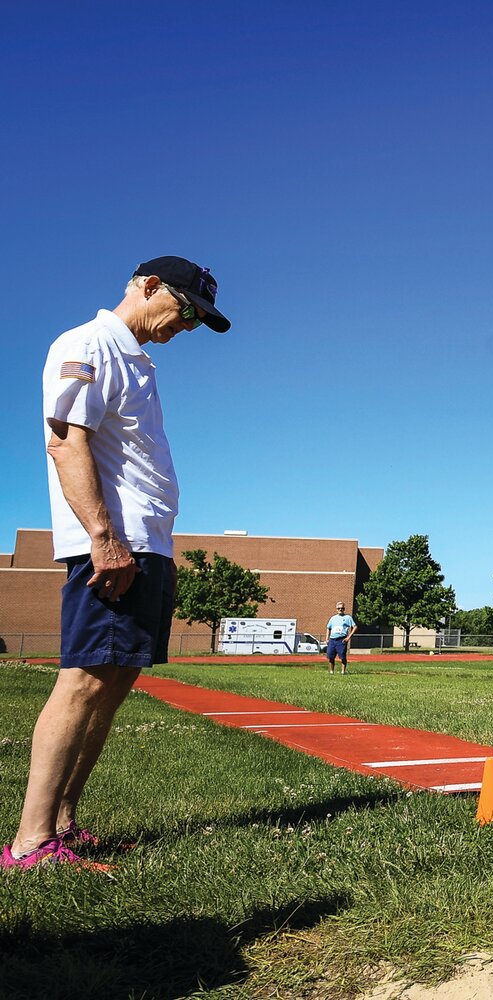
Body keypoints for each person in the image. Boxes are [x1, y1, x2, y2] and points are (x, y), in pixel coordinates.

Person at [4, 257, 230, 870]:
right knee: (82, 683)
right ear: (149, 286)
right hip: (114, 546)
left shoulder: (136, 360)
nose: (188, 326)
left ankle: (64, 823)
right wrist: (104, 538)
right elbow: (64, 439)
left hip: (146, 543)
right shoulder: (88, 343)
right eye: (187, 310)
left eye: (199, 319)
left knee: (114, 683)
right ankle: (31, 843)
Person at [326, 602, 357, 674]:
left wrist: (348, 637)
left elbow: (355, 627)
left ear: (344, 609)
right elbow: (328, 628)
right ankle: (331, 671)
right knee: (330, 656)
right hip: (332, 640)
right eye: (339, 608)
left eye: (342, 608)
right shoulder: (333, 618)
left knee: (342, 656)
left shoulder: (348, 618)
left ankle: (343, 671)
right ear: (336, 609)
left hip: (342, 640)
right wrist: (327, 638)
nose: (340, 610)